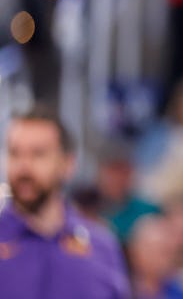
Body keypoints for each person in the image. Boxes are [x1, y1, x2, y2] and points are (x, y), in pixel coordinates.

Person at [0, 106, 130, 299]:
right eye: (15, 153)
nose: (23, 167)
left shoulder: (102, 246)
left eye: (38, 154)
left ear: (68, 164)